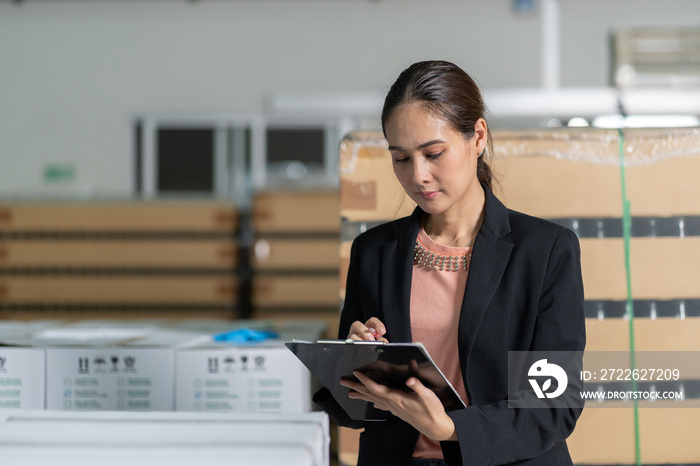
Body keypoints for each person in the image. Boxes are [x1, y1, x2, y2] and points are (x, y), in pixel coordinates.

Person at [314, 60, 586, 466]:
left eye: (434, 153)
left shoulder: (545, 252)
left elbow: (553, 404)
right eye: (401, 158)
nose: (418, 175)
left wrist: (451, 429)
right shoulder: (373, 252)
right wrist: (354, 364)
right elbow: (347, 410)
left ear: (477, 136)